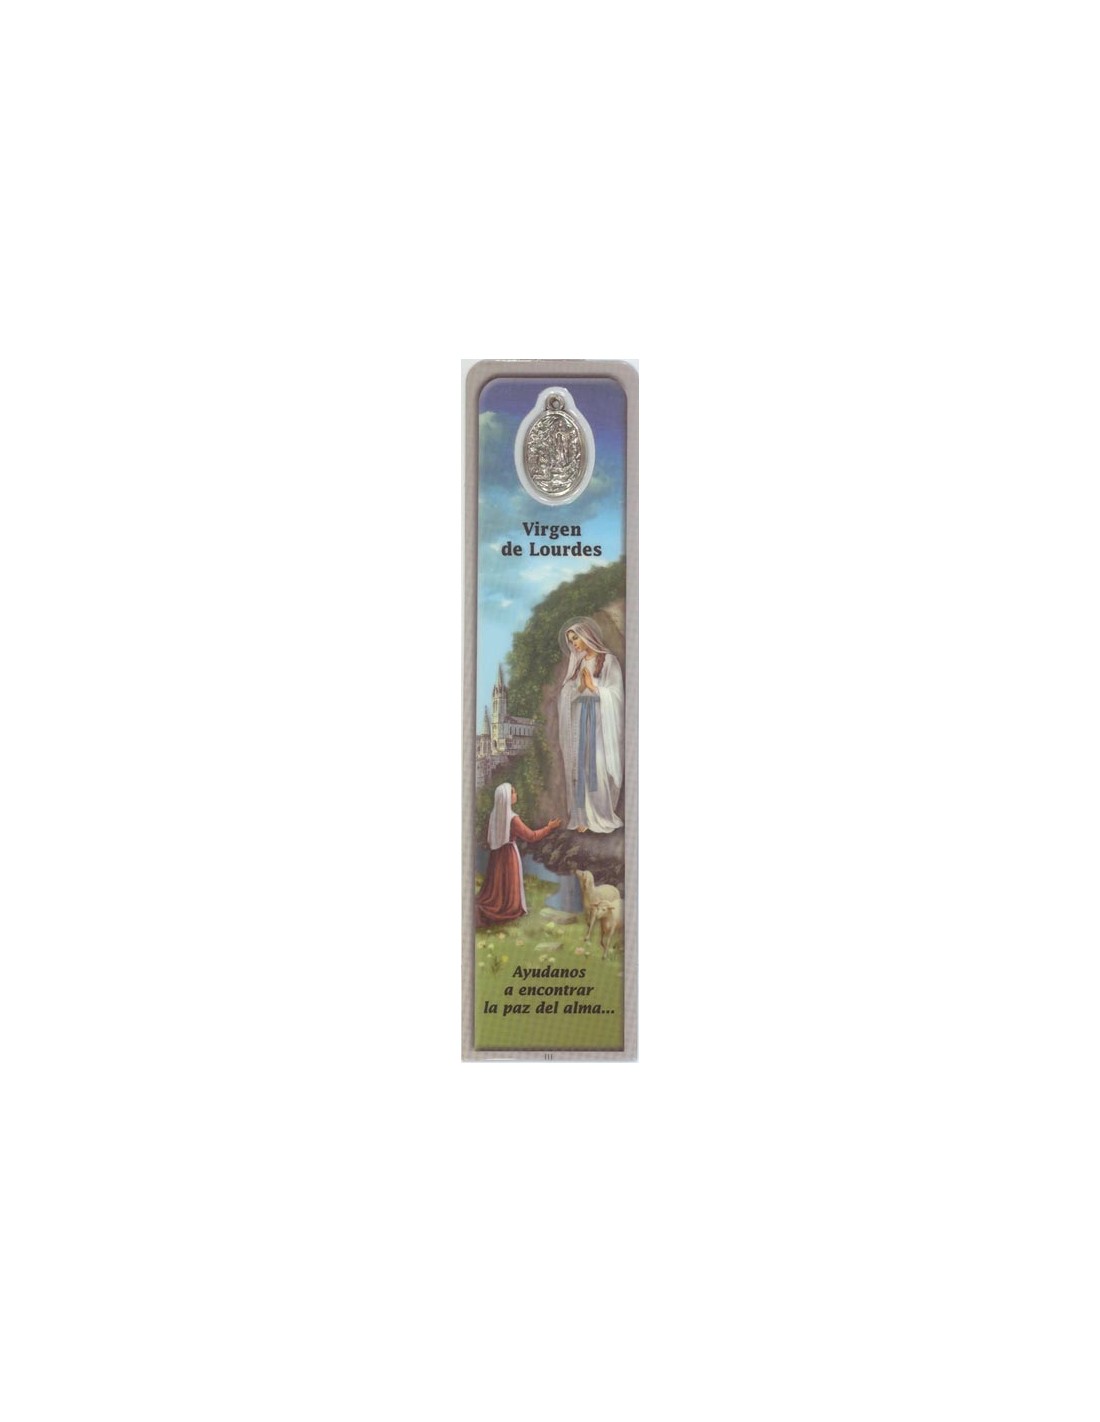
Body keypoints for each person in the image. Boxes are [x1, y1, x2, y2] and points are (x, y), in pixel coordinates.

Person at [557, 618, 625, 833]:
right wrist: (578, 689)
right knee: (580, 765)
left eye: (575, 638)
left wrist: (592, 687)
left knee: (597, 764)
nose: (573, 644)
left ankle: (601, 814)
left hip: (600, 720)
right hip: (580, 719)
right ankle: (582, 817)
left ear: (586, 635)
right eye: (570, 640)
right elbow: (567, 693)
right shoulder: (577, 664)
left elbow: (616, 695)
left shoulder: (609, 661)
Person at [475, 783, 561, 927]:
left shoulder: (494, 814)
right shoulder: (513, 819)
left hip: (496, 856)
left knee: (497, 885)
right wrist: (549, 828)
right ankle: (509, 908)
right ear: (506, 797)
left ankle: (499, 904)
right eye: (513, 792)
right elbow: (531, 836)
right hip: (509, 856)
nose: (516, 795)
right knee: (509, 883)